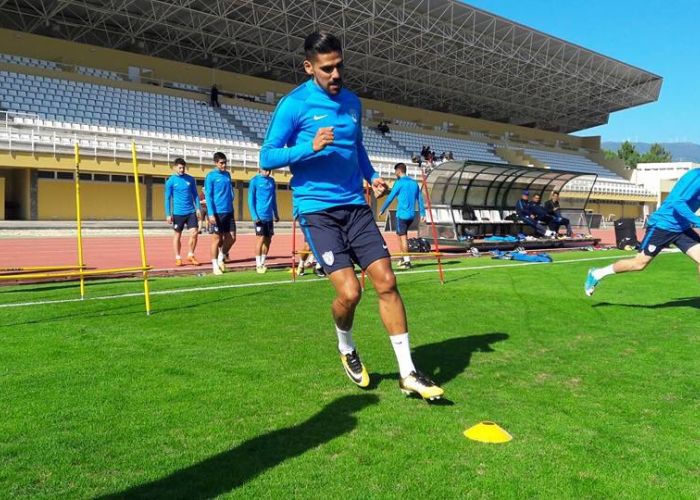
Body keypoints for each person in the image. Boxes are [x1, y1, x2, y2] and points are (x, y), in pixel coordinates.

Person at [260, 32, 443, 400]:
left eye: (340, 65)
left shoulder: (353, 103)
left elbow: (356, 147)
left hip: (355, 207)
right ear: (309, 67)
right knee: (350, 292)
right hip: (317, 210)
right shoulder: (293, 105)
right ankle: (346, 345)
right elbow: (267, 157)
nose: (336, 74)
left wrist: (371, 176)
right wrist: (308, 147)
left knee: (387, 281)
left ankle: (408, 372)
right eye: (327, 68)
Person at [585, 168, 700, 296]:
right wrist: (697, 220)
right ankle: (597, 273)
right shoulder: (696, 176)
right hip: (662, 226)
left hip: (682, 228)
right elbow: (677, 202)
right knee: (639, 264)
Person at [379, 163, 426, 269]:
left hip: (402, 215)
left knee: (403, 237)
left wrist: (382, 209)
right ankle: (402, 258)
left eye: (395, 171)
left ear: (398, 171)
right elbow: (420, 199)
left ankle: (407, 262)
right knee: (399, 235)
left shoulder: (399, 183)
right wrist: (423, 213)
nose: (395, 173)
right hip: (412, 215)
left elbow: (390, 197)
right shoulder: (414, 183)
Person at [164, 158, 201, 266]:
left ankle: (191, 254)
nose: (182, 169)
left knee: (194, 233)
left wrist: (198, 208)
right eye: (180, 168)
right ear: (175, 167)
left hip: (191, 211)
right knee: (177, 235)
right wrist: (168, 214)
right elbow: (167, 198)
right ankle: (178, 257)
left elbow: (195, 195)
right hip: (178, 213)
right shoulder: (171, 181)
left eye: (183, 167)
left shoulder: (190, 179)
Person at [204, 152, 236, 275]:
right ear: (216, 163)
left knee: (232, 237)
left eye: (225, 162)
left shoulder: (228, 175)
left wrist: (231, 197)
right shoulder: (211, 176)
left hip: (229, 211)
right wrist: (211, 214)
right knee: (216, 239)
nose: (224, 165)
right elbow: (209, 196)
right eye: (221, 163)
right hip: (217, 212)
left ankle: (221, 257)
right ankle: (214, 265)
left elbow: (230, 191)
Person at [248, 168, 280, 274]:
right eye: (265, 170)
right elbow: (250, 200)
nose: (267, 172)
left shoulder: (272, 181)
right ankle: (258, 265)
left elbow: (274, 198)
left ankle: (263, 262)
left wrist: (275, 213)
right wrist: (254, 216)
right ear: (259, 169)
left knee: (268, 240)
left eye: (269, 170)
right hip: (259, 216)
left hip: (269, 216)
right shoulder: (254, 181)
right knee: (260, 239)